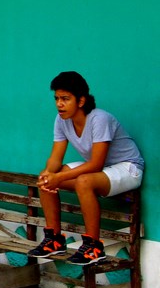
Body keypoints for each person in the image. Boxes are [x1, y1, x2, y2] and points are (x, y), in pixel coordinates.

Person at [28, 71, 144, 265]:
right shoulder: (61, 120)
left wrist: (60, 178)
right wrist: (49, 173)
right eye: (56, 98)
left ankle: (93, 246)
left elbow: (96, 164)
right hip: (103, 169)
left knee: (83, 181)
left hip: (128, 168)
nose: (59, 104)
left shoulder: (100, 119)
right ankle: (54, 240)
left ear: (81, 101)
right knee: (46, 178)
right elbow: (56, 158)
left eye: (65, 99)